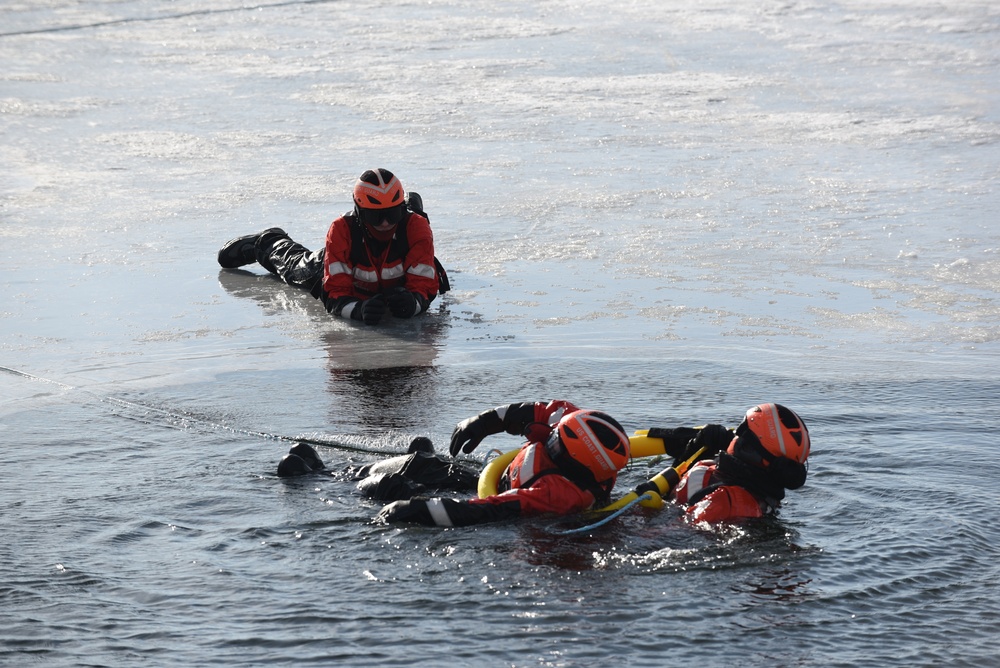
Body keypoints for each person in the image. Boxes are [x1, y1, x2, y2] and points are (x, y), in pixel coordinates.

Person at [217, 168, 448, 325]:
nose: (386, 223)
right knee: (296, 269)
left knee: (415, 223)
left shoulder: (416, 227)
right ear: (359, 212)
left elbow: (425, 286)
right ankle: (269, 241)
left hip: (397, 270)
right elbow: (335, 293)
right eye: (376, 216)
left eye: (393, 213)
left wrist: (413, 304)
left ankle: (411, 205)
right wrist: (358, 311)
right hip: (339, 267)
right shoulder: (341, 229)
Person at [376, 400, 632, 527]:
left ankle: (368, 479)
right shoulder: (573, 424)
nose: (548, 437)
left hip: (495, 495)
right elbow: (535, 411)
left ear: (573, 462)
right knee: (423, 462)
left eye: (554, 443)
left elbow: (485, 510)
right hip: (497, 479)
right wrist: (484, 422)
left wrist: (418, 510)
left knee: (395, 483)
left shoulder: (555, 495)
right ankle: (419, 463)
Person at [643, 403, 811, 523]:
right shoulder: (761, 493)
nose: (733, 435)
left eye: (741, 430)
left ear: (745, 447)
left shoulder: (724, 500)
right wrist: (691, 452)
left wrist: (645, 509)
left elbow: (669, 535)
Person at [277, 438, 479, 501]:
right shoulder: (338, 477)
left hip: (414, 472)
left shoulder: (331, 482)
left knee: (389, 481)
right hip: (418, 471)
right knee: (419, 445)